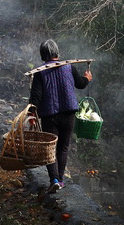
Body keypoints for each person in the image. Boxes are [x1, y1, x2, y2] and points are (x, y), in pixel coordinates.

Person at [28, 39, 92, 194]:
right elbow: (81, 84)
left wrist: (31, 114)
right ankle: (61, 180)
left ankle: (54, 180)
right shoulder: (68, 67)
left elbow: (36, 97)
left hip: (49, 115)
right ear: (57, 52)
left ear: (43, 54)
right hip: (69, 113)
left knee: (50, 149)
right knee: (63, 148)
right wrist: (87, 78)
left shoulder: (39, 72)